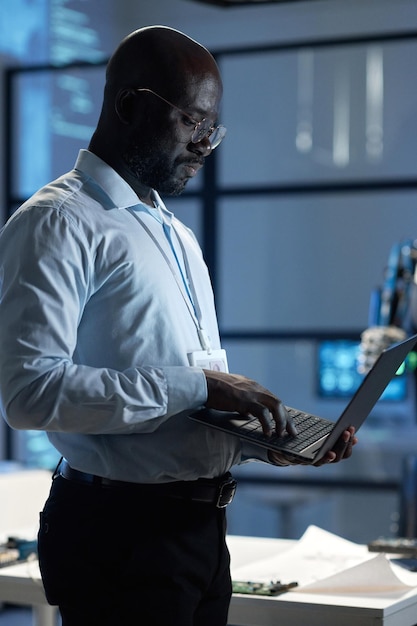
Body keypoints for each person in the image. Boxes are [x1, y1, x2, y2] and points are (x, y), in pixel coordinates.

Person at [0, 25, 357, 626]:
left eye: (210, 129)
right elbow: (29, 394)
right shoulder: (57, 223)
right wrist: (200, 387)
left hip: (198, 530)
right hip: (118, 538)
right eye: (192, 124)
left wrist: (263, 440)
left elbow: (180, 403)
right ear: (130, 106)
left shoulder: (174, 233)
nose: (204, 146)